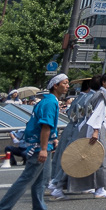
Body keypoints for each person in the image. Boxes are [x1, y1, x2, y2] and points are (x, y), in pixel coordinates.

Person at [0, 74, 67, 210]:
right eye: (65, 83)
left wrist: (52, 139)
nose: (68, 86)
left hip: (43, 145)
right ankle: (4, 207)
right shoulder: (50, 102)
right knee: (26, 179)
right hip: (39, 147)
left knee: (42, 180)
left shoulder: (47, 101)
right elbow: (45, 126)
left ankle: (39, 207)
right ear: (55, 85)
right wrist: (43, 148)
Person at [65, 72, 106, 199]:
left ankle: (93, 186)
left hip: (86, 127)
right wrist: (95, 130)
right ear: (103, 82)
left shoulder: (94, 94)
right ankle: (99, 189)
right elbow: (97, 114)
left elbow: (96, 113)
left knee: (88, 158)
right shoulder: (101, 94)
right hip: (95, 129)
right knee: (99, 159)